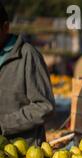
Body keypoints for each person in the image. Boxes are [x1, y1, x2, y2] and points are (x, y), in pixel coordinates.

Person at [0, 4, 54, 146]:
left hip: (25, 154)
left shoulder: (28, 56)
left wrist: (4, 124)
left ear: (5, 27)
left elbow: (44, 107)